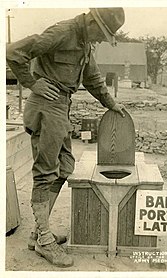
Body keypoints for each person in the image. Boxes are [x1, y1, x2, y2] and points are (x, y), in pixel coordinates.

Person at [6, 7, 125, 268]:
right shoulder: (62, 32)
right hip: (46, 105)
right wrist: (31, 82)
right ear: (92, 21)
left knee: (64, 168)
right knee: (45, 172)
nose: (101, 40)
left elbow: (92, 78)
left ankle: (39, 233)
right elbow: (14, 52)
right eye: (102, 34)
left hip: (62, 107)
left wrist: (111, 103)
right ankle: (45, 241)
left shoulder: (85, 43)